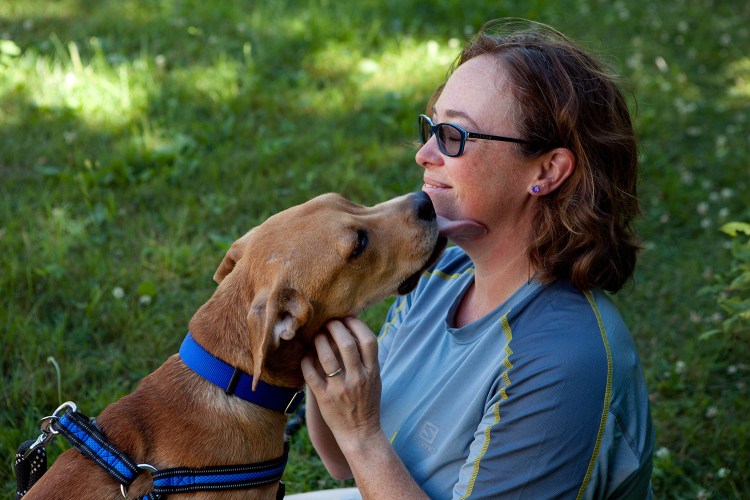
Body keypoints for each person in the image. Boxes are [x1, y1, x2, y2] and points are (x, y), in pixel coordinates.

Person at [300, 18, 654, 499]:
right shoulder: (442, 273)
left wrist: (363, 436)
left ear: (547, 170)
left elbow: (357, 446)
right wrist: (324, 337)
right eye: (431, 128)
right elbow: (341, 461)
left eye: (454, 136)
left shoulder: (561, 359)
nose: (425, 154)